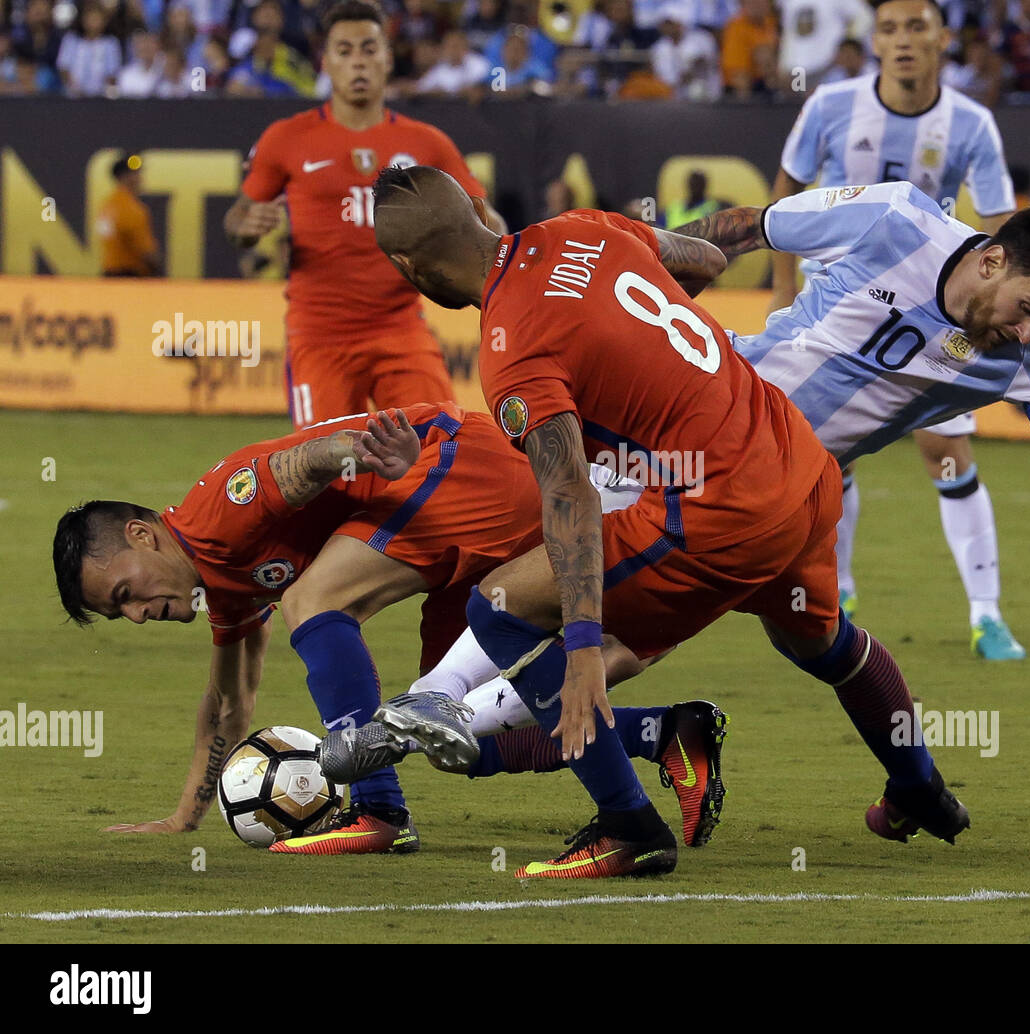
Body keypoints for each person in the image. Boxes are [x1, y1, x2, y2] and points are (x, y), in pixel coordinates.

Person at [372, 164, 971, 879]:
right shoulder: (579, 229)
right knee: (825, 644)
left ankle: (629, 828)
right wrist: (622, 336)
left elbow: (570, 498)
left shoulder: (513, 349)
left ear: (410, 270)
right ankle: (921, 787)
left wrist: (587, 646)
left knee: (502, 606)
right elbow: (706, 258)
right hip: (801, 464)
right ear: (478, 208)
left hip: (722, 506)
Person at [53, 405, 728, 854]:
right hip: (439, 521)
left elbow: (304, 459)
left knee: (314, 602)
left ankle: (377, 809)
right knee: (458, 736)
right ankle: (664, 732)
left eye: (124, 594)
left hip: (454, 470)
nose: (138, 615)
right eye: (121, 615)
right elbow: (228, 701)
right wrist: (184, 816)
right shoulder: (219, 585)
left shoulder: (216, 513)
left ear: (142, 535)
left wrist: (366, 452)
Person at [671, 184, 1030, 619]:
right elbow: (746, 229)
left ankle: (915, 781)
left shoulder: (1026, 356)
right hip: (695, 408)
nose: (1029, 334)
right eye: (1028, 309)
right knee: (604, 612)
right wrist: (625, 266)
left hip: (768, 492)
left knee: (811, 640)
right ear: (993, 261)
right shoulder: (894, 218)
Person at [771, 0, 1025, 660]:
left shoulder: (971, 123)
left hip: (933, 310)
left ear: (943, 39)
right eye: (889, 29)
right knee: (826, 456)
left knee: (947, 453)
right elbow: (782, 198)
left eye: (917, 27)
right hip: (836, 308)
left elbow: (1003, 227)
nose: (904, 40)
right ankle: (842, 591)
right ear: (875, 42)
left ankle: (986, 615)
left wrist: (993, 306)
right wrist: (777, 300)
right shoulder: (829, 106)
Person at [223, 0, 506, 429]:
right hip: (319, 336)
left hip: (401, 329)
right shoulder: (287, 139)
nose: (358, 61)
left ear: (388, 59)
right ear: (326, 62)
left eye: (369, 49)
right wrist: (246, 227)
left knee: (446, 446)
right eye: (345, 50)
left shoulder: (426, 143)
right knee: (325, 471)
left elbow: (486, 220)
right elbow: (238, 219)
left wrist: (499, 240)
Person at [98, 154, 160, 277]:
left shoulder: (107, 206)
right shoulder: (132, 209)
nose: (141, 178)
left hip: (109, 274)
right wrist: (156, 269)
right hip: (130, 275)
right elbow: (145, 251)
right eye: (136, 174)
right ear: (126, 177)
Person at [665, 169, 732, 229]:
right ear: (688, 184)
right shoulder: (674, 207)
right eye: (693, 182)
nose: (696, 186)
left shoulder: (714, 207)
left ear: (704, 185)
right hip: (672, 241)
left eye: (699, 183)